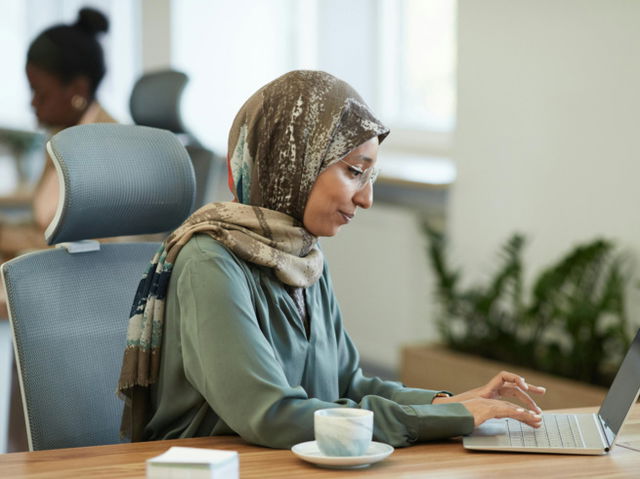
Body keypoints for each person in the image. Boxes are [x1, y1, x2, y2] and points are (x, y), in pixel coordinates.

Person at [117, 70, 546, 448]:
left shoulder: (303, 258)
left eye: (371, 176)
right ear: (294, 164)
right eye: (355, 171)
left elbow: (349, 384)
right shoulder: (209, 262)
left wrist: (452, 402)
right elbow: (270, 415)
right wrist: (445, 420)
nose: (367, 198)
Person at [0, 7, 115, 260]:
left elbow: (84, 248)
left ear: (77, 90)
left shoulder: (110, 147)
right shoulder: (61, 139)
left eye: (40, 93)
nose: (32, 103)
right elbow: (41, 228)